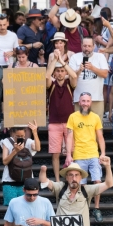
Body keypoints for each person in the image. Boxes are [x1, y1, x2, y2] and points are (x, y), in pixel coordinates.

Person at [39, 160, 113, 226]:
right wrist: (43, 171)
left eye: (76, 175)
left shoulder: (87, 190)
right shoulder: (60, 188)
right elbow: (44, 181)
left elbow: (108, 184)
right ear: (66, 177)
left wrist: (108, 166)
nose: (74, 178)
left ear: (81, 177)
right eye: (71, 175)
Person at [64, 92, 108, 223]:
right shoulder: (73, 117)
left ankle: (97, 208)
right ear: (79, 102)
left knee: (97, 182)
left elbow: (100, 137)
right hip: (79, 155)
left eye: (87, 101)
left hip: (93, 154)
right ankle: (83, 208)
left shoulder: (95, 117)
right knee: (80, 184)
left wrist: (103, 153)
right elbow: (69, 136)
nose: (85, 103)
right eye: (83, 101)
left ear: (91, 102)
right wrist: (68, 155)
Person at [46, 54, 78, 182]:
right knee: (55, 153)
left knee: (72, 152)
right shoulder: (51, 84)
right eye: (58, 71)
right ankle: (58, 180)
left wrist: (62, 62)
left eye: (62, 71)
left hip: (69, 123)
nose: (60, 73)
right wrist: (54, 60)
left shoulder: (69, 84)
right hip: (54, 123)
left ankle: (72, 178)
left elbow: (74, 75)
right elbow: (47, 76)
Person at [68, 37, 109, 123]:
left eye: (89, 46)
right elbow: (70, 77)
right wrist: (79, 70)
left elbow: (105, 74)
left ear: (94, 46)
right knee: (79, 126)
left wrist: (93, 68)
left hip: (96, 98)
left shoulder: (100, 57)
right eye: (85, 46)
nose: (87, 48)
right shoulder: (75, 57)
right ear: (81, 46)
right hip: (79, 100)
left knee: (97, 127)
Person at [0, 124, 40, 207]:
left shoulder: (28, 142)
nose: (20, 137)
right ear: (12, 134)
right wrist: (15, 151)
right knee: (12, 208)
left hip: (26, 181)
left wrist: (35, 132)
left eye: (22, 136)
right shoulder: (6, 142)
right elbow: (5, 161)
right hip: (9, 181)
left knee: (26, 207)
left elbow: (37, 148)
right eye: (17, 136)